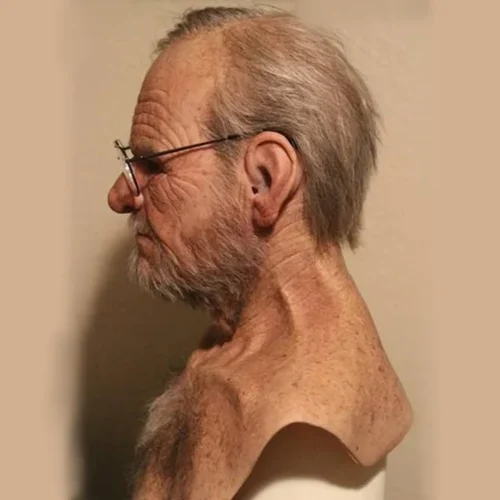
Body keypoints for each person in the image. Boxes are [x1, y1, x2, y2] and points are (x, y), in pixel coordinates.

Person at [107, 7, 412, 500]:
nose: (119, 196)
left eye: (154, 165)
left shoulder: (307, 434)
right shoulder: (230, 342)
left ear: (264, 180)